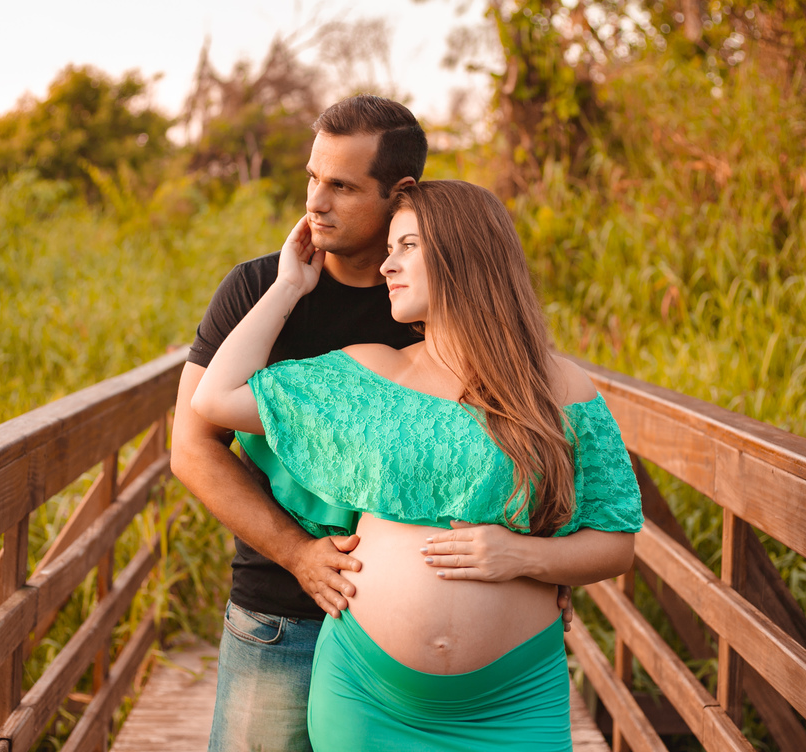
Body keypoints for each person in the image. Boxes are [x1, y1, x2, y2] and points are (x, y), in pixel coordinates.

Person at [172, 95, 572, 751]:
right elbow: (191, 448)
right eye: (311, 177)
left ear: (401, 189)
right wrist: (299, 556)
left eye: (340, 186)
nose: (315, 202)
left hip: (413, 669)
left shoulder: (431, 308)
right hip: (282, 617)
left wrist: (537, 564)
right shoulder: (254, 292)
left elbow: (515, 437)